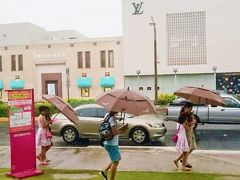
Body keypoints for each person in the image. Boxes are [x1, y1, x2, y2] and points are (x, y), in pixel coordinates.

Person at [99, 111, 128, 180]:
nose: (117, 110)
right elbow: (114, 132)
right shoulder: (112, 119)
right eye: (116, 109)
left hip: (107, 142)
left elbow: (110, 130)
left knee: (117, 158)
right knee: (116, 162)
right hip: (112, 144)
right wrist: (122, 130)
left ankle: (105, 172)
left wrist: (121, 128)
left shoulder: (107, 115)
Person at [173, 102, 193, 171]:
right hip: (182, 135)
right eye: (190, 108)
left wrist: (189, 124)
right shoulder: (183, 115)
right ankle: (183, 166)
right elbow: (185, 127)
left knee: (185, 151)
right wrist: (190, 126)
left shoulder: (184, 114)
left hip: (182, 134)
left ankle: (177, 161)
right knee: (186, 151)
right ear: (187, 108)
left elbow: (185, 125)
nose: (190, 110)